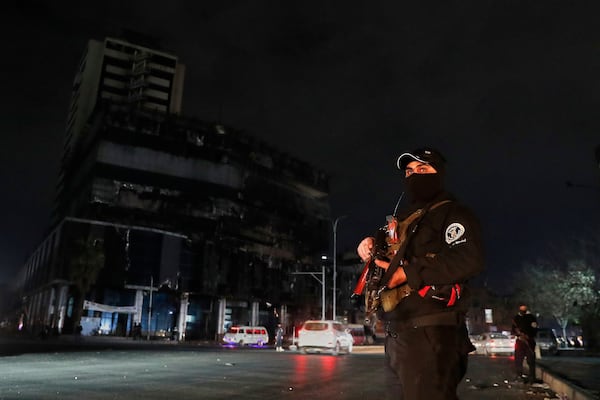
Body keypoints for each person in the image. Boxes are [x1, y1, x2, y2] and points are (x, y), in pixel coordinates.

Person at [356, 147, 485, 400]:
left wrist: (407, 274)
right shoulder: (407, 218)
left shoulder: (453, 213)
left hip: (432, 332)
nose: (415, 175)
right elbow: (393, 254)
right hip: (397, 332)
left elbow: (469, 259)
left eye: (423, 169)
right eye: (409, 171)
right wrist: (372, 244)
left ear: (439, 173)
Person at [511, 304, 538, 383]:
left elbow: (535, 329)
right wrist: (518, 334)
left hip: (529, 342)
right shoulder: (516, 318)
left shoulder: (531, 318)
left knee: (531, 360)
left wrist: (528, 336)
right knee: (518, 359)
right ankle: (519, 376)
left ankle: (532, 377)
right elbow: (513, 329)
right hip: (520, 342)